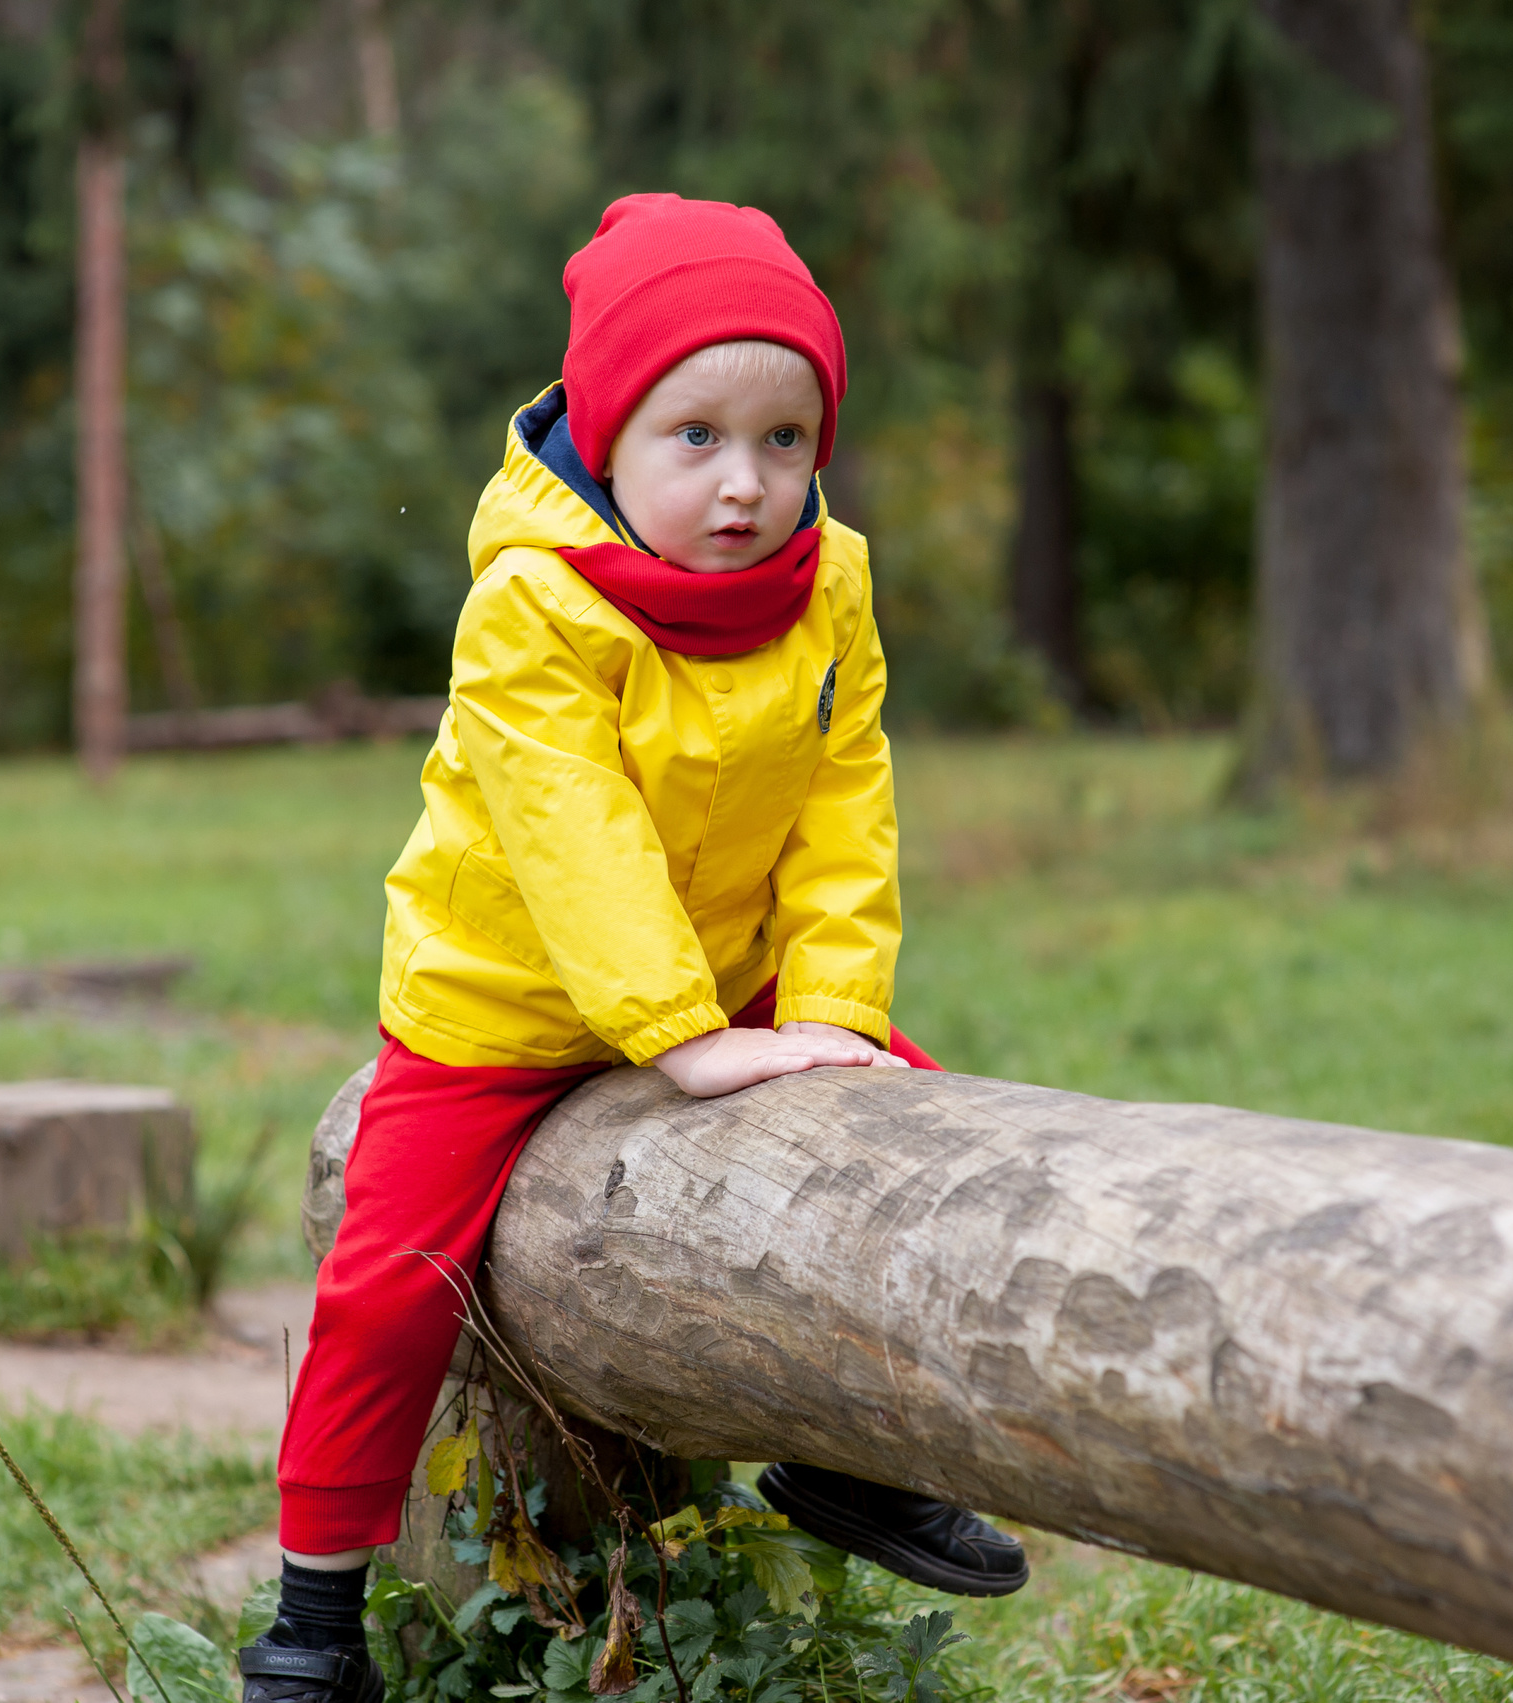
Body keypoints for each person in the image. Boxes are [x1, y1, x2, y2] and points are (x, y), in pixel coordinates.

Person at [240, 193, 1027, 1703]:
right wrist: (683, 1035)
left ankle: (845, 1460)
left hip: (723, 986)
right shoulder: (535, 604)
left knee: (903, 1142)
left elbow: (845, 804)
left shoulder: (831, 585)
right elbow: (573, 837)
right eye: (696, 439)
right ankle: (316, 1615)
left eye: (784, 441)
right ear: (607, 438)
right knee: (394, 1276)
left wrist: (836, 1008)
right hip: (508, 998)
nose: (745, 485)